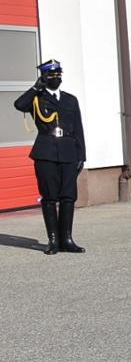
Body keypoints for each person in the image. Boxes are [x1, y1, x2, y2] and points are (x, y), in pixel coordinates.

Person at [14, 59, 86, 254]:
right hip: (46, 152)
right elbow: (19, 105)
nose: (56, 78)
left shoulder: (70, 100)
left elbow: (78, 128)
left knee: (68, 196)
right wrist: (36, 88)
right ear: (44, 77)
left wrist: (82, 155)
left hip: (69, 151)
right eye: (51, 75)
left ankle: (67, 239)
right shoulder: (37, 98)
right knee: (49, 196)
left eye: (58, 75)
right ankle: (53, 240)